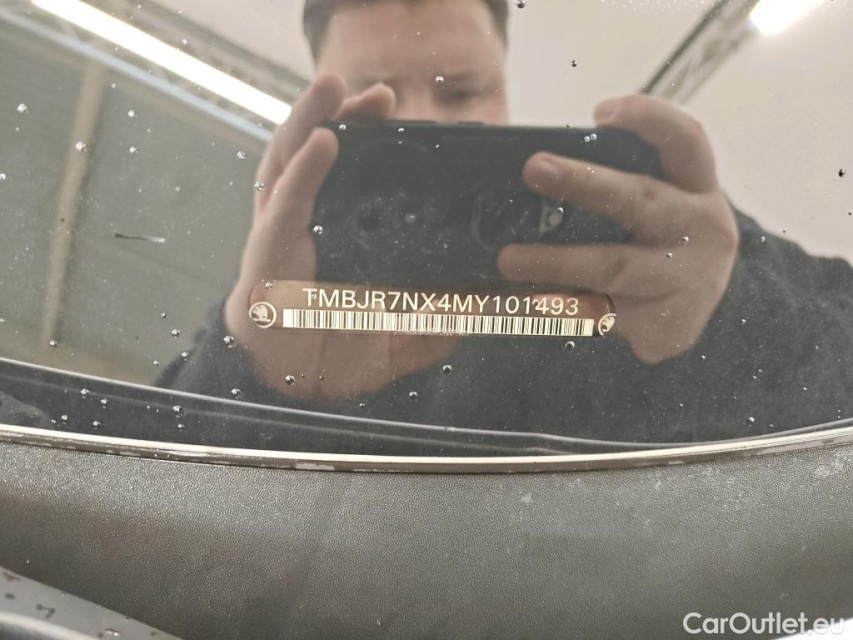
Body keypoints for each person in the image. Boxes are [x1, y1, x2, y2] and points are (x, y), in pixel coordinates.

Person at [158, 0, 853, 443]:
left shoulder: (642, 232)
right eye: (376, 103)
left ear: (505, 85)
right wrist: (251, 371)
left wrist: (722, 317)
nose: (423, 125)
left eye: (460, 92)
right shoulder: (287, 302)